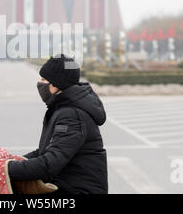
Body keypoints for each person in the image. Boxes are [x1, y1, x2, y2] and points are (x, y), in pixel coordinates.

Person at [8, 54, 108, 194]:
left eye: (43, 80)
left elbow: (50, 164)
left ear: (56, 83)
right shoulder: (62, 108)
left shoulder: (72, 115)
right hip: (66, 186)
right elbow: (44, 151)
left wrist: (4, 169)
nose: (40, 84)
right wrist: (9, 161)